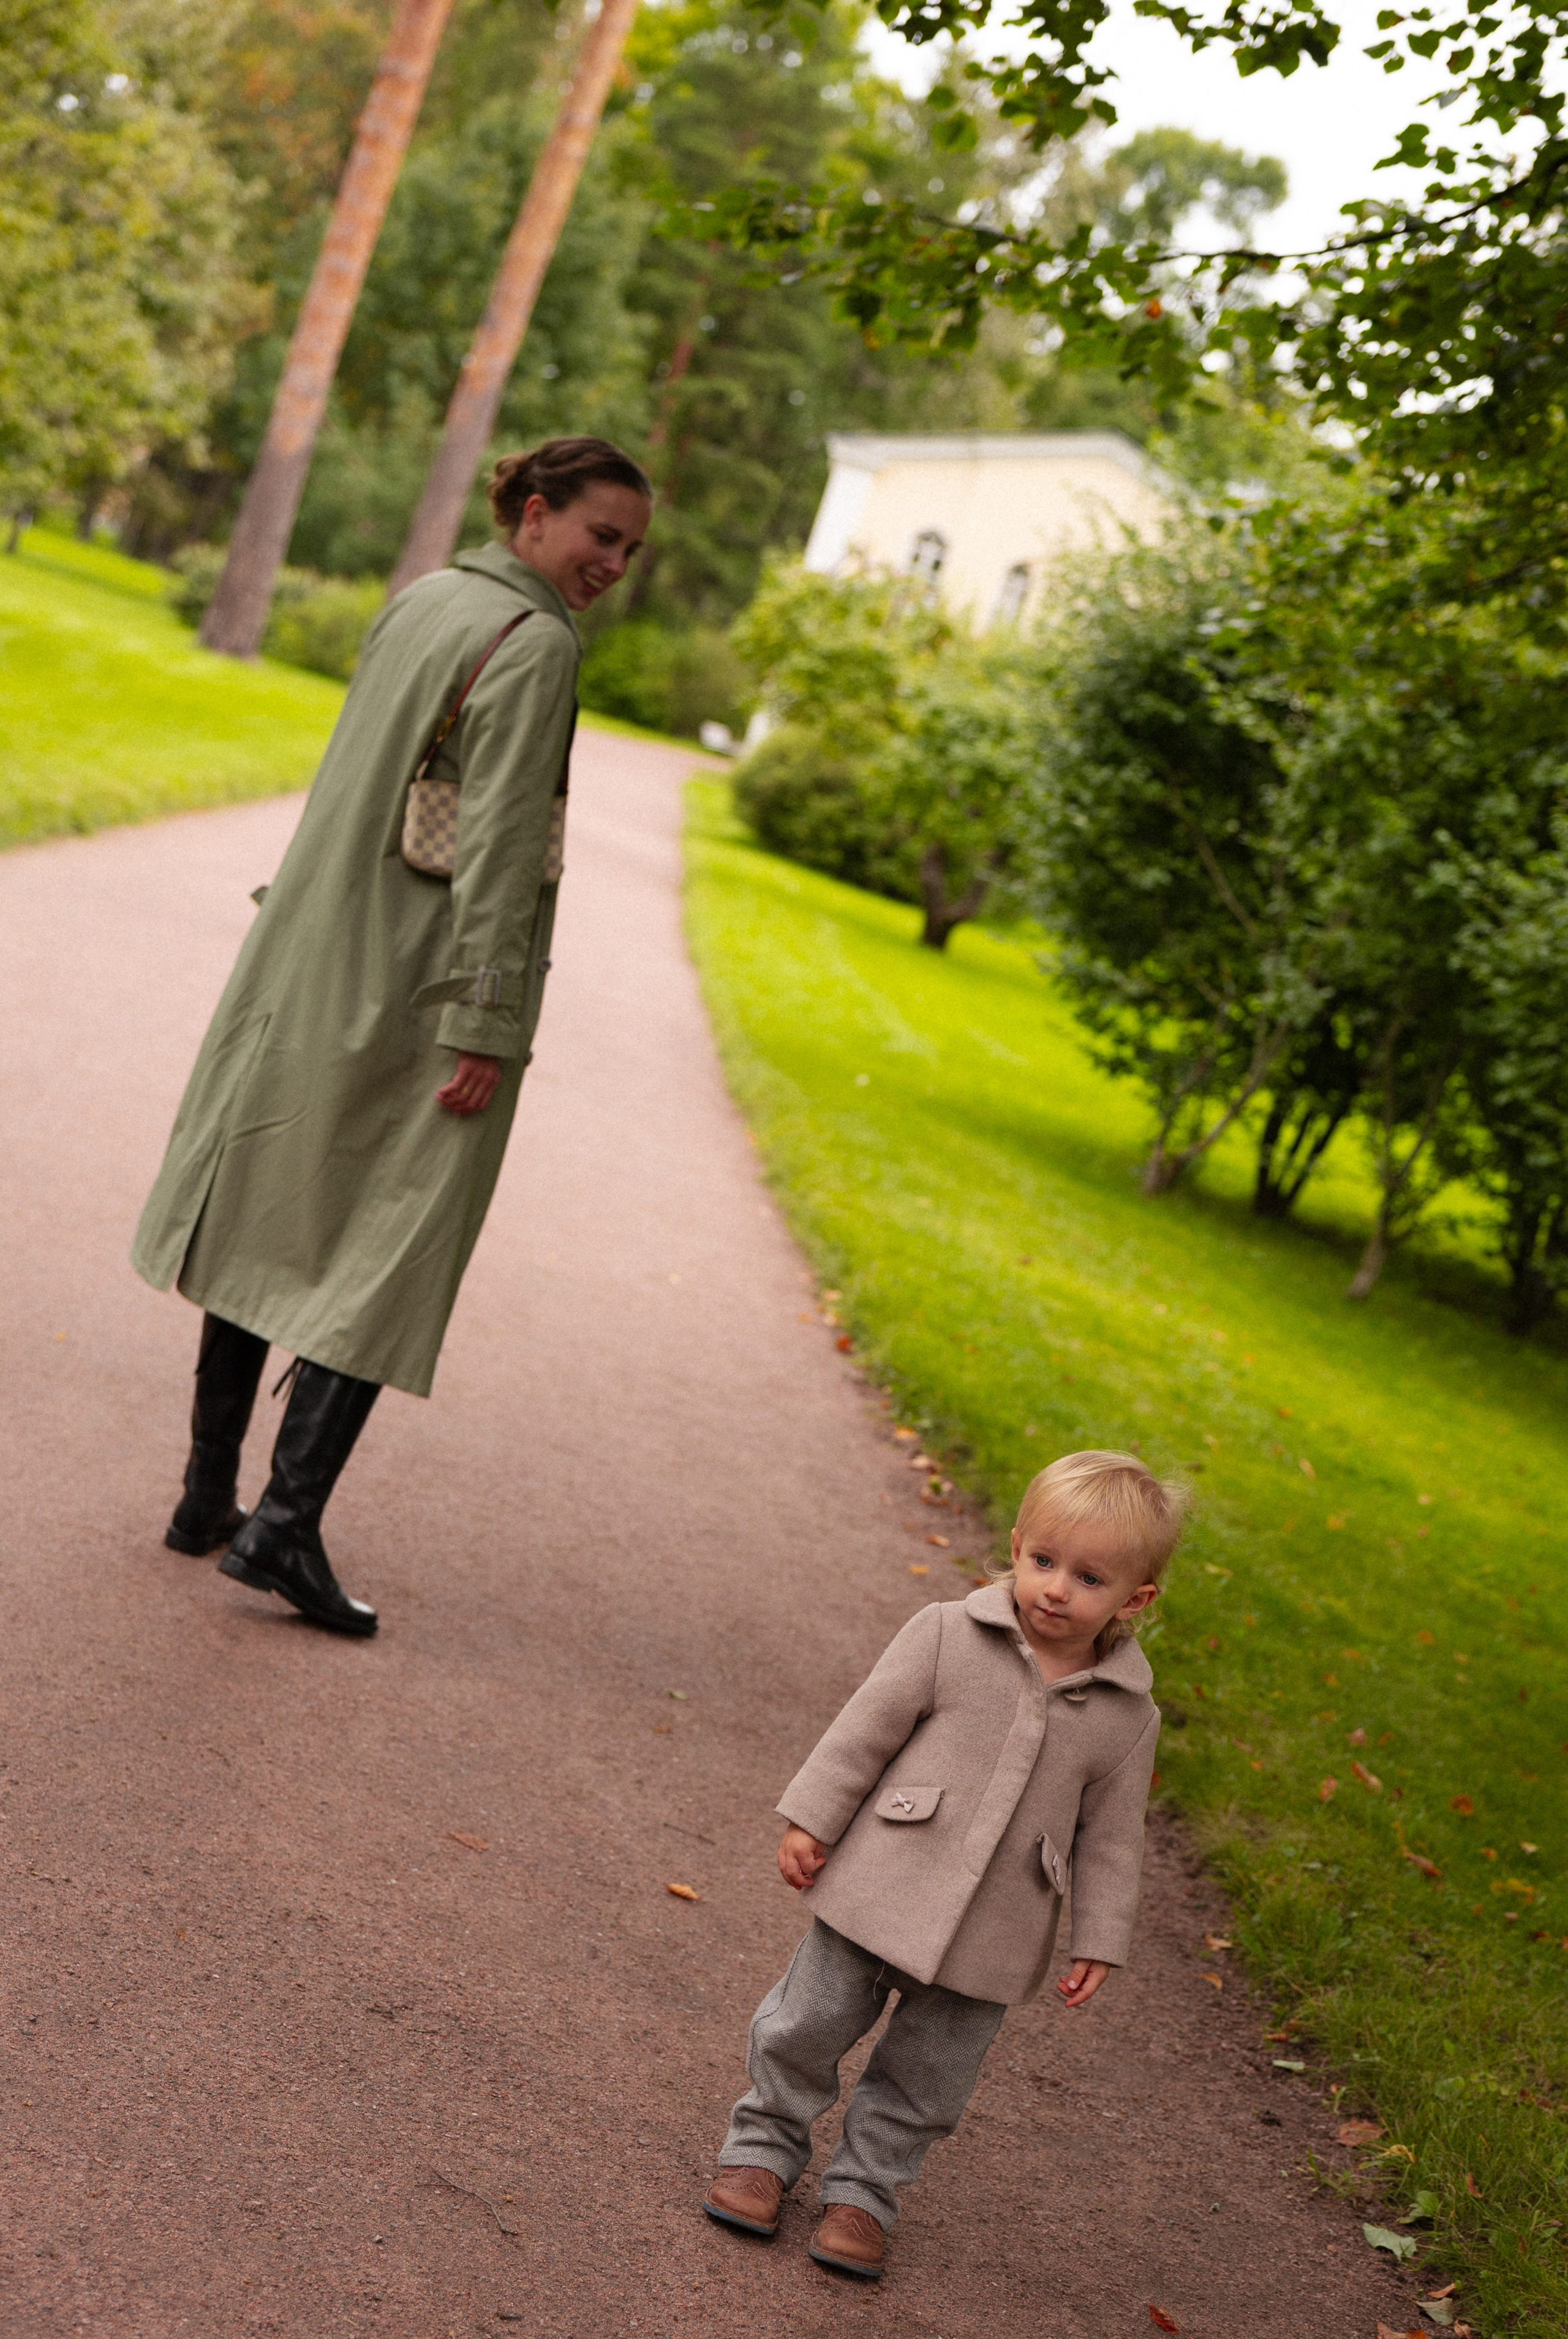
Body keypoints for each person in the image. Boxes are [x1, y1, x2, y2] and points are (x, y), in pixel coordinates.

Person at [132, 436, 654, 1637]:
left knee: (271, 1200)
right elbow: (504, 858)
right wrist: (483, 1021)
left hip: (311, 949)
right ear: (533, 514)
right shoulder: (535, 645)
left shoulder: (423, 597)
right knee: (389, 1244)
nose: (613, 564)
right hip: (415, 986)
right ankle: (283, 1524)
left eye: (628, 547)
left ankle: (208, 1494)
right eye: (599, 535)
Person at [702, 1449, 1188, 2280]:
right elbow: (867, 1732)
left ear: (1136, 1599)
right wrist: (812, 1819)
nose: (1056, 1589)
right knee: (807, 2023)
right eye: (1042, 1560)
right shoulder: (946, 1634)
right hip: (882, 1878)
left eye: (1089, 1578)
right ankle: (762, 2149)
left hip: (997, 1928)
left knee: (929, 2078)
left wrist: (1099, 1936)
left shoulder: (1127, 1717)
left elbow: (1112, 1836)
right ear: (1016, 1545)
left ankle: (864, 2196)